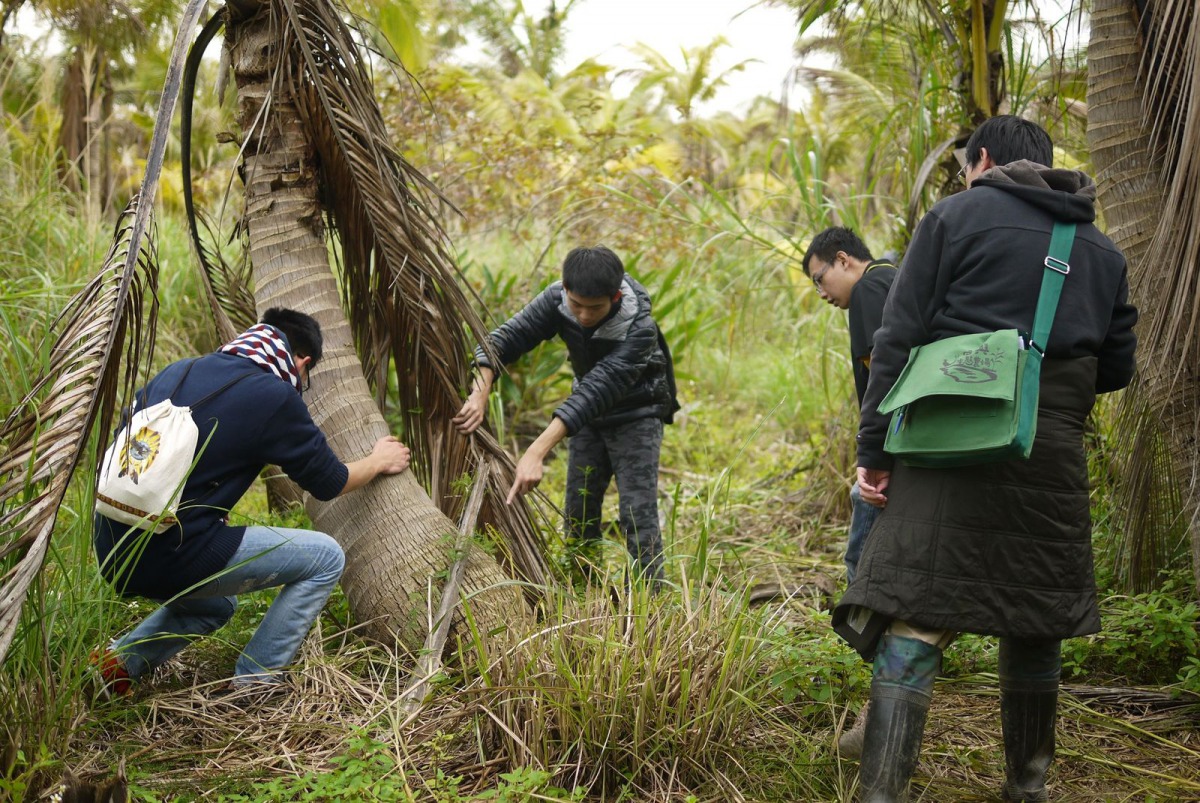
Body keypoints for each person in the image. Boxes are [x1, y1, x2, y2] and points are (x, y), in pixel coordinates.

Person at [834, 115, 1137, 801]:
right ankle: (1026, 788)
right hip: (1049, 449)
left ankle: (882, 793)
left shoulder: (956, 217)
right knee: (1036, 619)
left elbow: (900, 335)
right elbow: (1116, 364)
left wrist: (874, 452)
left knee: (914, 611)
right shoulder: (1100, 248)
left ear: (985, 161)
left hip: (949, 438)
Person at [91, 308, 412, 696]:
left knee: (215, 607)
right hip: (169, 552)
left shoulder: (181, 371)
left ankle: (117, 665)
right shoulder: (273, 395)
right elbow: (329, 482)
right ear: (302, 362)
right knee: (326, 557)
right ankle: (255, 684)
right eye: (305, 378)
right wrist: (378, 461)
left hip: (111, 543)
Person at [454, 245, 679, 583]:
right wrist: (480, 389)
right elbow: (504, 339)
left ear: (615, 296)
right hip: (586, 417)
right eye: (576, 306)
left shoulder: (639, 329)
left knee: (637, 513)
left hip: (637, 414)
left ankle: (652, 602)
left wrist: (536, 451)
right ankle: (580, 588)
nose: (584, 316)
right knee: (579, 510)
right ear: (565, 289)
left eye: (595, 308)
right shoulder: (556, 299)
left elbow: (596, 390)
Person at [802, 226, 897, 756]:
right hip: (909, 449)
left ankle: (882, 690)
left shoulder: (869, 287)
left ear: (843, 260)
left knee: (863, 566)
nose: (822, 294)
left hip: (891, 454)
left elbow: (881, 372)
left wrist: (873, 457)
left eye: (821, 279)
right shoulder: (899, 279)